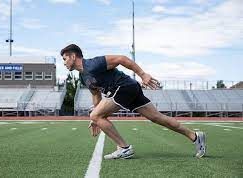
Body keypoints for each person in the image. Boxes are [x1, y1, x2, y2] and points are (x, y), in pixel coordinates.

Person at [60, 44, 206, 159]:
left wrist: (143, 74)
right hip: (127, 90)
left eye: (65, 58)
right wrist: (96, 117)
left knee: (96, 115)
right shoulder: (82, 77)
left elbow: (122, 59)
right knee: (157, 118)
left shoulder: (93, 64)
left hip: (124, 88)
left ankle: (124, 148)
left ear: (73, 56)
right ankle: (195, 136)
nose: (64, 63)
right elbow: (96, 94)